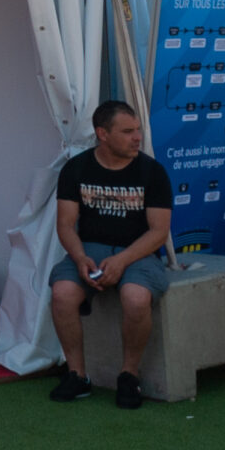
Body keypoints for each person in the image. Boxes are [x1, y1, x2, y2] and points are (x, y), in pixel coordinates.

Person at [45, 101, 174, 409]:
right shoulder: (76, 169)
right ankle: (77, 375)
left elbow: (158, 232)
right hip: (90, 248)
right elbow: (64, 225)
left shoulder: (152, 172)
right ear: (102, 134)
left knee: (135, 297)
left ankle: (129, 375)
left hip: (139, 251)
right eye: (127, 131)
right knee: (62, 292)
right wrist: (78, 257)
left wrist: (122, 260)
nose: (137, 138)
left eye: (138, 130)